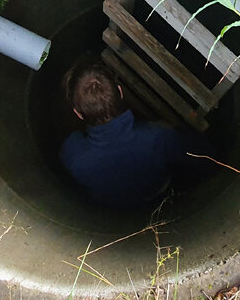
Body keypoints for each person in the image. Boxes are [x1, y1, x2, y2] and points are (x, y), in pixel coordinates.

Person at [59, 61, 194, 207]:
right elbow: (195, 158)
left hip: (110, 207)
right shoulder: (159, 136)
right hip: (157, 196)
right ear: (121, 92)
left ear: (78, 114)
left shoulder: (72, 153)